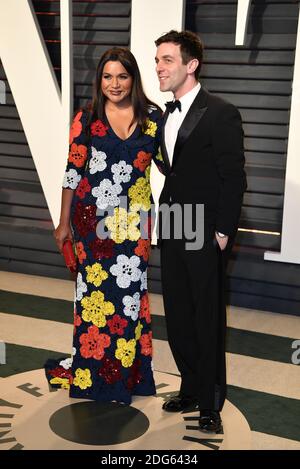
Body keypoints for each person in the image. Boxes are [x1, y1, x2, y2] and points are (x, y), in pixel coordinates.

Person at [45, 47, 164, 404]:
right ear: (100, 80)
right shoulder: (87, 117)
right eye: (108, 76)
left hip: (135, 223)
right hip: (91, 222)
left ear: (133, 78)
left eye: (122, 76)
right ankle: (94, 376)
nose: (115, 84)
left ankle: (128, 378)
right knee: (95, 299)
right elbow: (72, 170)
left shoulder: (154, 118)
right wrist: (63, 222)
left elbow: (171, 167)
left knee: (130, 301)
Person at [155, 30, 247, 432]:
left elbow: (234, 178)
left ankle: (210, 401)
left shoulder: (220, 112)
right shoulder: (164, 114)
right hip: (173, 221)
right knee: (177, 310)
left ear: (191, 65)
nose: (159, 67)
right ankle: (190, 385)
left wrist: (223, 231)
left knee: (206, 314)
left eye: (167, 60)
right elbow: (172, 168)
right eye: (157, 59)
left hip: (203, 226)